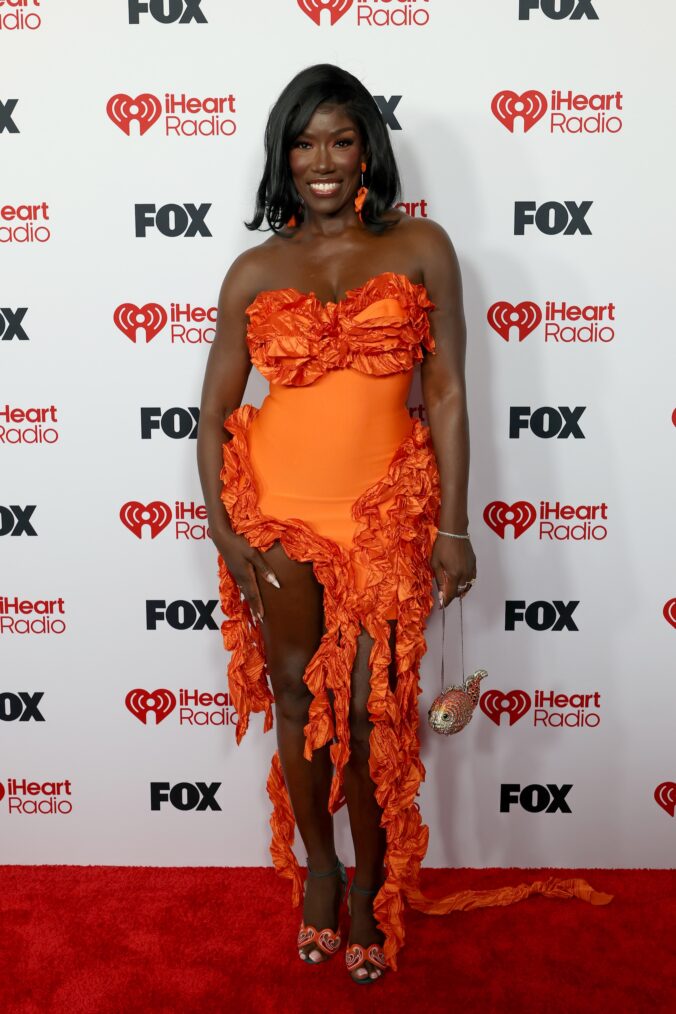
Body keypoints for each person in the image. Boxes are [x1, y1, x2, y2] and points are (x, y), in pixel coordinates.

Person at [196, 64, 611, 985]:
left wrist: (454, 527)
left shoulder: (422, 246)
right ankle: (320, 876)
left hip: (384, 520)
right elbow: (213, 410)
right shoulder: (255, 269)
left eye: (341, 140)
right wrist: (230, 535)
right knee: (299, 702)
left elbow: (452, 390)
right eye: (303, 144)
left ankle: (373, 885)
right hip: (279, 522)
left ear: (368, 150)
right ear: (282, 156)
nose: (322, 162)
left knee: (368, 710)